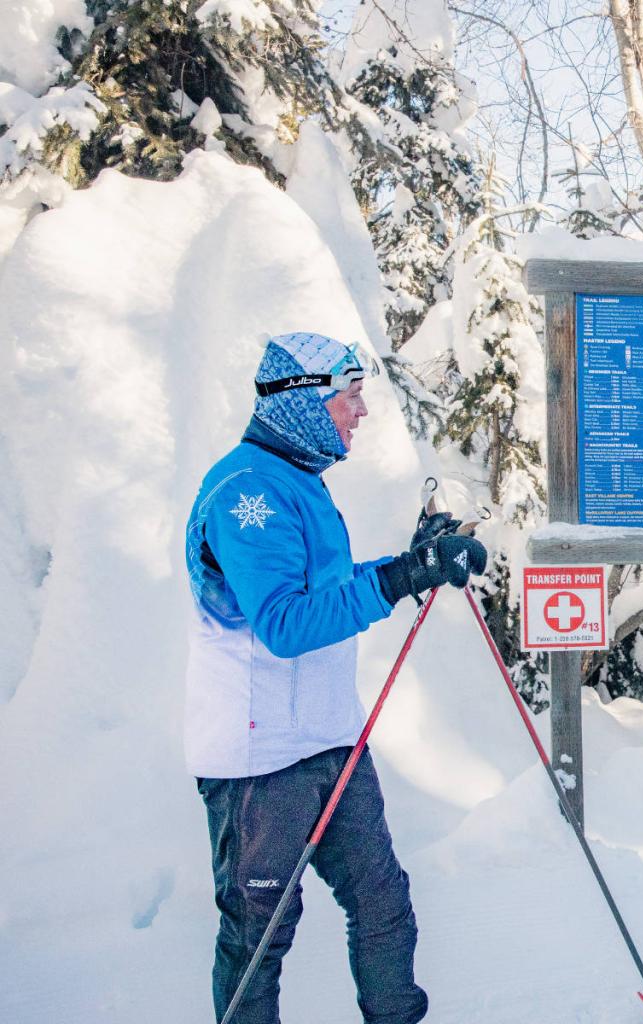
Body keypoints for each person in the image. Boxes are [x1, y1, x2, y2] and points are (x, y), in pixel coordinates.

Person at [184, 331, 488, 1024]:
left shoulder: (298, 483)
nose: (362, 412)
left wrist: (411, 565)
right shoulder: (244, 494)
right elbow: (285, 624)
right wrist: (397, 578)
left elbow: (323, 587)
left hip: (328, 740)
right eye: (350, 397)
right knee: (259, 938)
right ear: (303, 402)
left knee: (384, 904)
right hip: (260, 760)